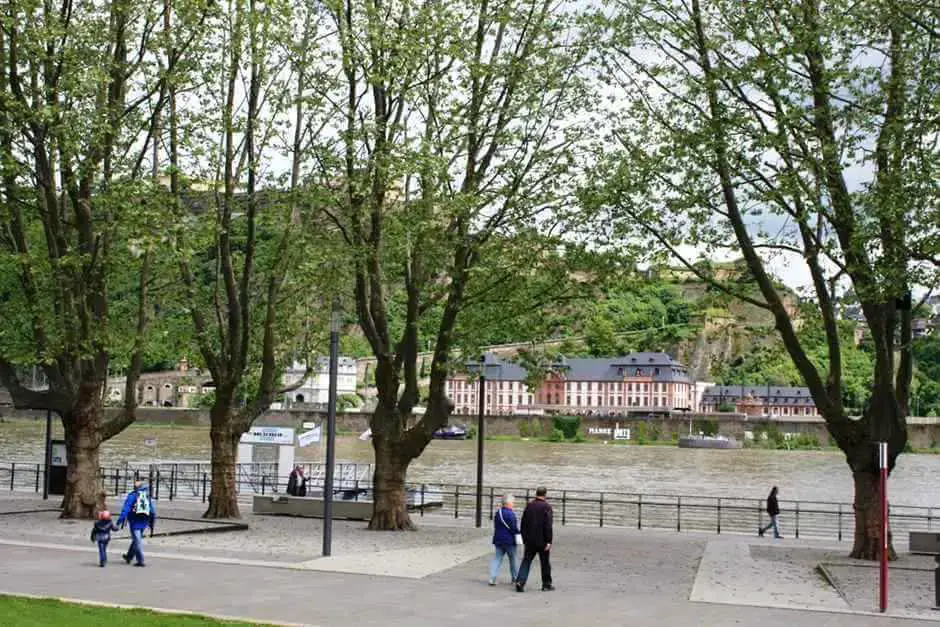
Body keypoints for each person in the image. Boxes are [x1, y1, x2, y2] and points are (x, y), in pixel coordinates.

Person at [515, 486, 554, 592]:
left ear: (536, 494)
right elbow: (548, 526)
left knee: (526, 561)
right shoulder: (547, 507)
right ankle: (546, 584)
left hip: (530, 540)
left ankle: (520, 582)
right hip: (542, 540)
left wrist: (524, 538)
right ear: (545, 494)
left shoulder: (529, 506)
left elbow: (523, 523)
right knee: (545, 563)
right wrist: (549, 541)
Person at [117, 480, 156, 566]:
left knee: (137, 540)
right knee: (136, 539)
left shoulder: (132, 496)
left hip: (134, 521)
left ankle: (140, 560)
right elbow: (153, 511)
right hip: (144, 521)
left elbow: (126, 509)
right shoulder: (147, 496)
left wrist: (119, 520)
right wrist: (152, 523)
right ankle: (129, 556)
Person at [489, 494, 520, 586]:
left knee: (497, 559)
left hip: (498, 539)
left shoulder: (498, 513)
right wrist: (519, 534)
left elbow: (496, 526)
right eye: (513, 502)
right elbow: (514, 528)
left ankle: (492, 578)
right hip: (509, 541)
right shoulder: (511, 514)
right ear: (508, 503)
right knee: (513, 559)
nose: (513, 504)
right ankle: (515, 578)